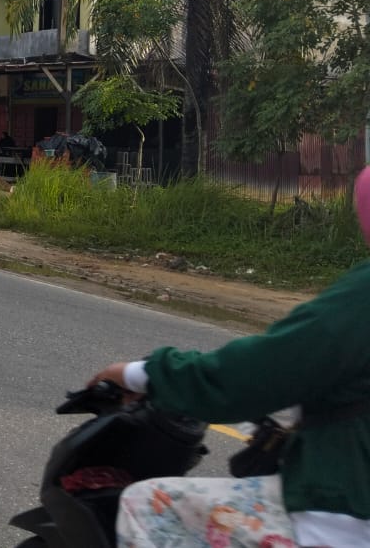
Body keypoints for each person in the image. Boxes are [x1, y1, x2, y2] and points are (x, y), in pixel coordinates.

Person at [90, 165, 370, 548]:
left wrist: (147, 373)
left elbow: (262, 371)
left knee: (146, 505)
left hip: (343, 515)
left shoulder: (362, 297)